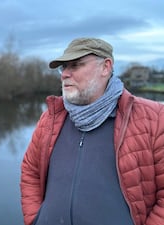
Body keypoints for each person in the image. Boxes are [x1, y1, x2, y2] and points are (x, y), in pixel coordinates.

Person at [20, 37, 164, 225]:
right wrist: (35, 219)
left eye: (75, 65)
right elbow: (30, 172)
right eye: (64, 67)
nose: (64, 74)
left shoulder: (154, 118)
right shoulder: (50, 119)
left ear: (106, 67)